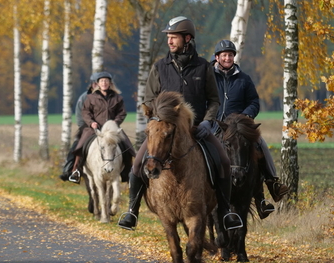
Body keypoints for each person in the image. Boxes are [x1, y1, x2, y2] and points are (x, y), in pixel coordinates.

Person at [117, 16, 243, 231]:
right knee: (137, 165)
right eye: (168, 37)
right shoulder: (159, 67)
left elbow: (213, 100)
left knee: (222, 161)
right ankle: (132, 211)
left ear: (187, 39)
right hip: (164, 131)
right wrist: (160, 115)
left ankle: (225, 212)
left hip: (197, 131)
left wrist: (206, 123)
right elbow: (148, 99)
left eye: (173, 37)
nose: (169, 41)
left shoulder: (203, 67)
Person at [213, 39, 289, 217]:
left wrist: (246, 116)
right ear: (217, 57)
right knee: (199, 146)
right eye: (224, 55)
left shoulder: (244, 79)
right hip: (215, 123)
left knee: (259, 144)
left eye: (230, 55)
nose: (227, 58)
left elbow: (254, 102)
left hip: (239, 125)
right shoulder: (209, 77)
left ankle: (269, 188)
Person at [68, 71, 134, 184]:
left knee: (128, 146)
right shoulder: (90, 98)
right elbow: (85, 112)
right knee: (80, 146)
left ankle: (128, 173)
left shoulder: (117, 98)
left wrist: (116, 121)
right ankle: (76, 171)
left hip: (112, 129)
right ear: (98, 83)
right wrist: (91, 122)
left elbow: (122, 112)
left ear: (110, 83)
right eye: (102, 81)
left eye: (106, 81)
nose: (104, 83)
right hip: (95, 129)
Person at [58, 74, 98, 181]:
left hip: (106, 128)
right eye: (95, 83)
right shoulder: (84, 97)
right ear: (92, 84)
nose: (98, 85)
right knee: (76, 147)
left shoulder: (110, 97)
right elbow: (80, 117)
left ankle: (129, 170)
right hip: (87, 128)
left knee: (123, 143)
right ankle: (71, 170)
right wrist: (86, 127)